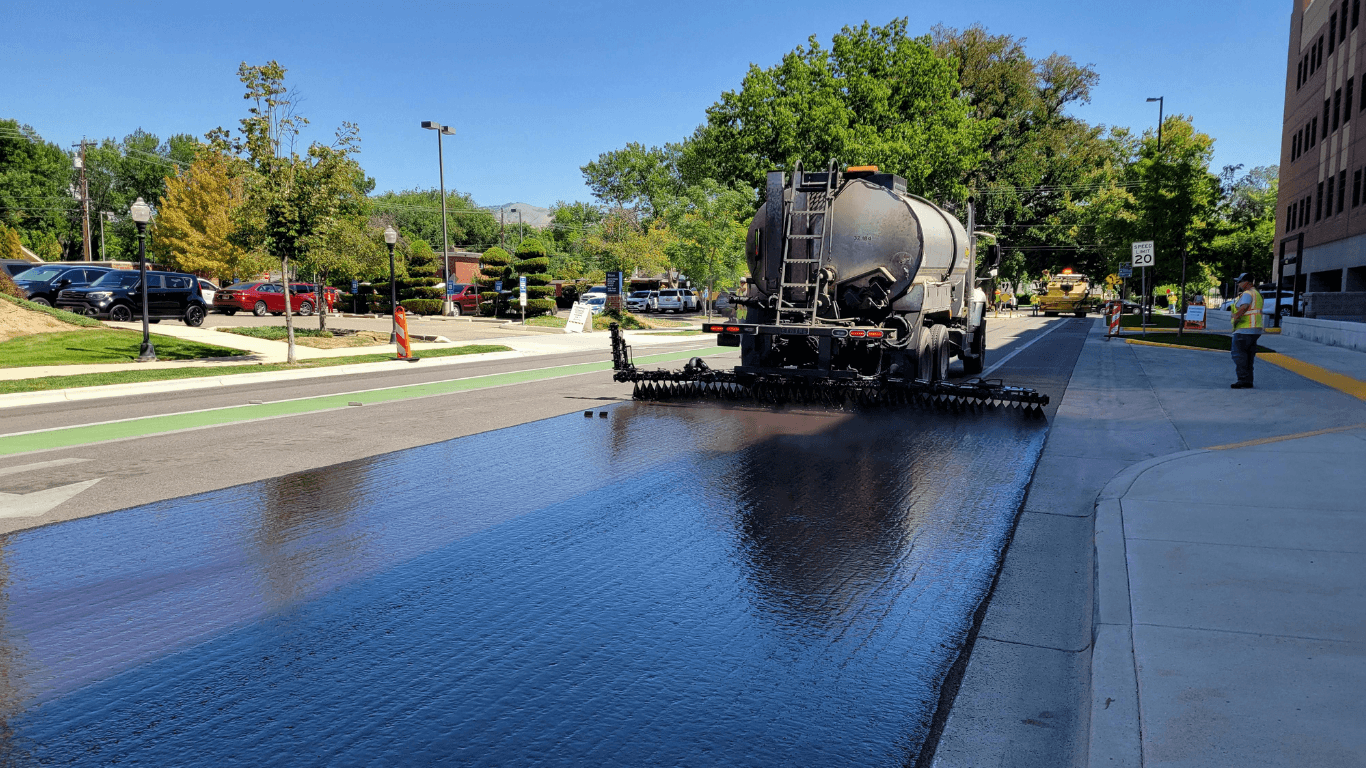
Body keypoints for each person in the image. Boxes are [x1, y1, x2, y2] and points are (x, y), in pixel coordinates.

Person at [1228, 273, 1264, 389]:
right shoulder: (1257, 294)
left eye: (1240, 282)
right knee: (1248, 356)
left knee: (1239, 355)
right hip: (1255, 329)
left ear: (1247, 282)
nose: (1238, 284)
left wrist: (1236, 317)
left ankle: (1243, 380)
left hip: (1244, 329)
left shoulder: (1247, 294)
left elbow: (1244, 307)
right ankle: (1248, 380)